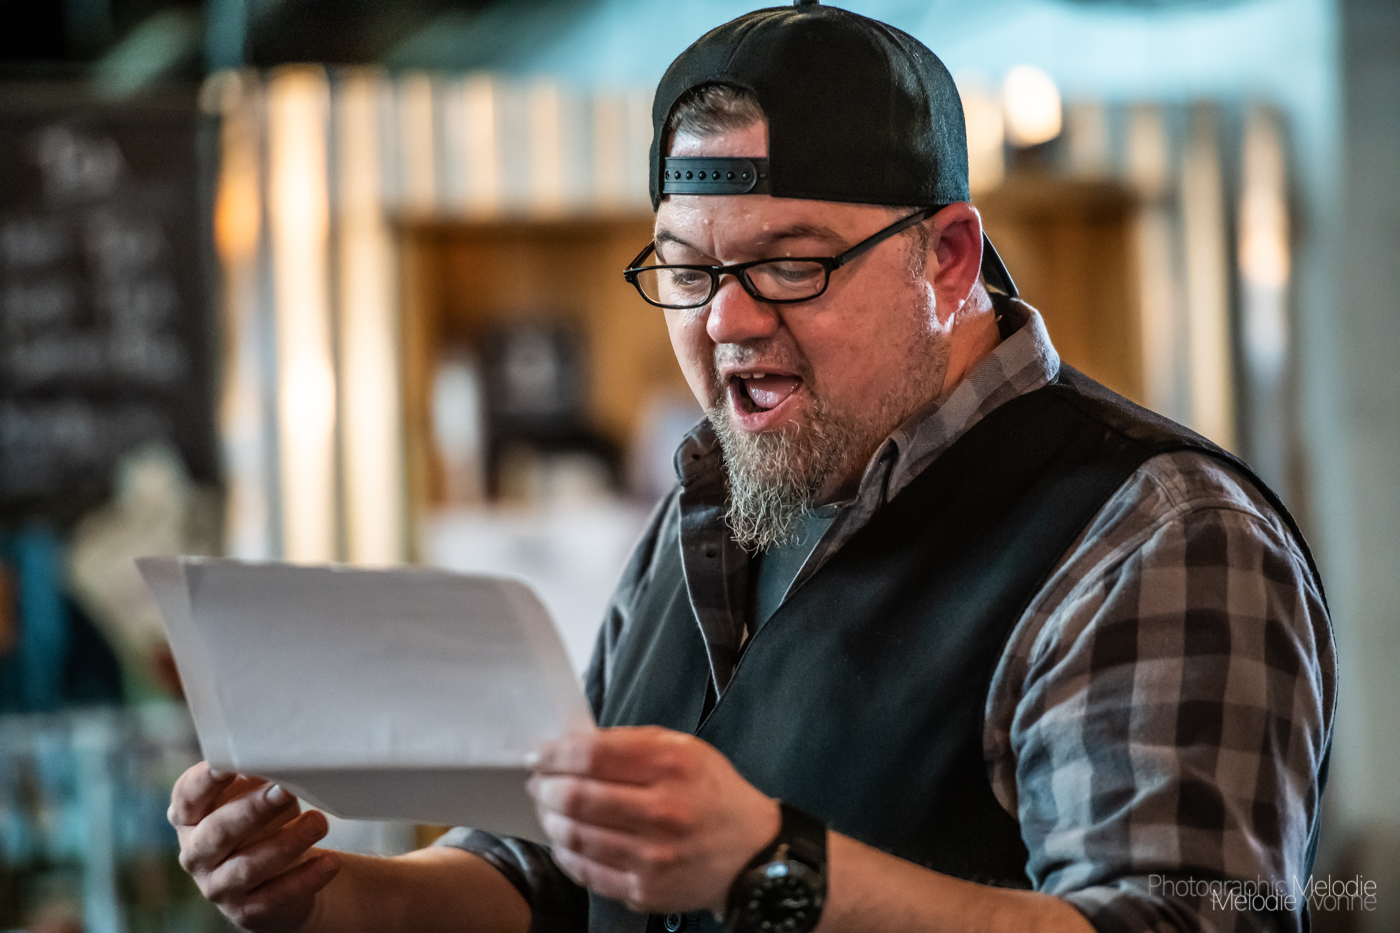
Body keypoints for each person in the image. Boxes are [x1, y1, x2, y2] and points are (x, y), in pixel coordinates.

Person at [167, 4, 1335, 932]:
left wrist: (774, 869)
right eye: (685, 270)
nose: (724, 321)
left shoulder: (1150, 532)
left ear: (946, 258)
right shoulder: (715, 502)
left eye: (789, 265)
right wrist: (327, 895)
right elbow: (553, 873)